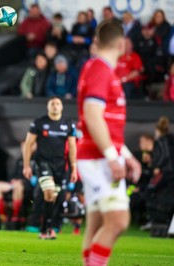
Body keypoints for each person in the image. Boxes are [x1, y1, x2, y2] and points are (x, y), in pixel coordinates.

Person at [76, 20, 141, 265]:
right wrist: (113, 157)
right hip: (97, 157)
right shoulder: (100, 70)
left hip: (97, 154)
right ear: (122, 44)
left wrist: (125, 154)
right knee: (118, 221)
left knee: (98, 223)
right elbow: (93, 115)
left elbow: (106, 123)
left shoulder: (99, 69)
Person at [22, 96, 77, 239]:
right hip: (43, 163)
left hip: (60, 165)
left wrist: (74, 167)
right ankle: (46, 229)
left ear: (62, 107)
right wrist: (27, 165)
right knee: (49, 191)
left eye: (58, 103)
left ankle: (46, 229)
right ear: (48, 106)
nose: (55, 106)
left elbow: (72, 147)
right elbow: (28, 144)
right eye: (52, 103)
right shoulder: (39, 123)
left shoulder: (68, 124)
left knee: (54, 197)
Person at [0, 141, 36, 229]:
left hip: (30, 187)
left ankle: (16, 215)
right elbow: (14, 175)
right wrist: (13, 181)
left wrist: (22, 181)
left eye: (26, 146)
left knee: (18, 186)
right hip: (16, 184)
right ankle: (2, 215)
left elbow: (35, 178)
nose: (24, 148)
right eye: (23, 146)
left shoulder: (36, 160)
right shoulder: (19, 160)